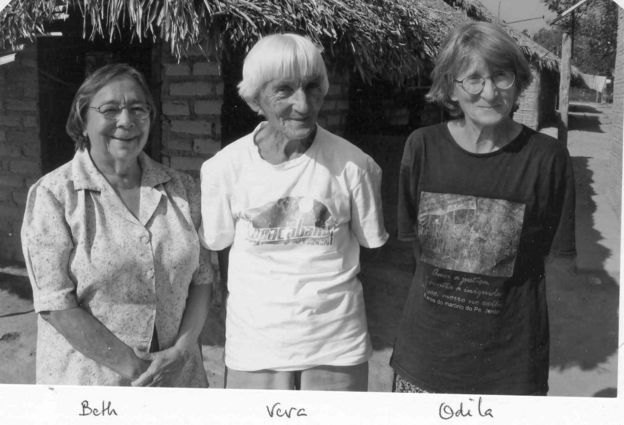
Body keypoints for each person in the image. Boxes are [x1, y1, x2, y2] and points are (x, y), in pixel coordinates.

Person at [390, 22, 576, 395]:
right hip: (425, 362)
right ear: (450, 87)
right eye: (472, 79)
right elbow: (417, 249)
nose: (489, 91)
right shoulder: (422, 147)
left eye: (501, 77)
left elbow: (557, 266)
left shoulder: (546, 159)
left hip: (509, 371)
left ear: (518, 81)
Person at [199, 33, 388, 391]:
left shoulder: (355, 166)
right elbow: (219, 249)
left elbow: (370, 247)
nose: (303, 104)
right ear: (256, 99)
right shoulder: (224, 169)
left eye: (312, 87)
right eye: (284, 90)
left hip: (336, 348)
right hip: (256, 349)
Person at [21, 63, 213, 387]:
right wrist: (142, 371)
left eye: (138, 109)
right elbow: (56, 304)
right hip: (92, 388)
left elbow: (203, 280)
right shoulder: (55, 195)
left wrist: (180, 353)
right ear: (83, 121)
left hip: (180, 379)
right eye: (110, 110)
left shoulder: (183, 190)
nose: (126, 121)